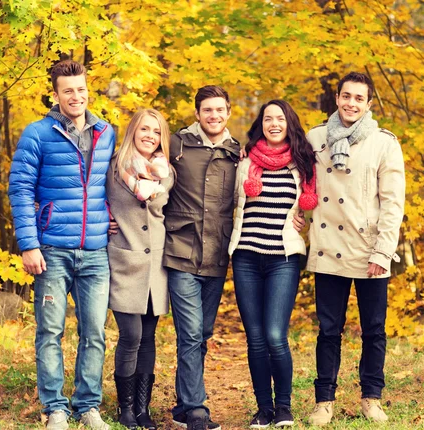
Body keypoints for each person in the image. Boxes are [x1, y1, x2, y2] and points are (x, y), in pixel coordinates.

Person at [8, 60, 114, 430]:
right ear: (55, 94)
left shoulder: (106, 131)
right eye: (68, 90)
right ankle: (55, 407)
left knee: (95, 332)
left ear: (88, 90)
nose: (76, 96)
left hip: (96, 251)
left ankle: (88, 406)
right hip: (52, 249)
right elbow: (20, 190)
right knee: (50, 331)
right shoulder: (37, 134)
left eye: (81, 89)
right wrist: (29, 244)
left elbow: (113, 183)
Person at [306, 72, 405, 426]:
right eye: (346, 96)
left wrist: (383, 251)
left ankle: (371, 397)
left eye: (358, 98)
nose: (351, 103)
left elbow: (393, 202)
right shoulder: (315, 138)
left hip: (369, 250)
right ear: (337, 98)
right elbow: (292, 172)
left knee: (374, 328)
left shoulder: (384, 143)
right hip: (329, 247)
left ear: (369, 103)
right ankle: (324, 402)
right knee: (328, 329)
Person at [228, 100, 318, 428]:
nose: (274, 123)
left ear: (288, 123)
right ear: (261, 124)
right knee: (254, 337)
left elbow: (316, 202)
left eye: (280, 118)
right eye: (268, 118)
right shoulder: (245, 161)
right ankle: (263, 409)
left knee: (275, 334)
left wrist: (306, 219)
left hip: (283, 258)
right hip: (246, 257)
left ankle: (284, 407)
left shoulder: (302, 162)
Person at [163, 85, 240, 430]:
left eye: (219, 110)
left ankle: (182, 406)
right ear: (197, 114)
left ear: (228, 112)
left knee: (201, 332)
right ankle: (195, 409)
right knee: (192, 333)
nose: (214, 116)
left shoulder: (237, 152)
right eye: (207, 110)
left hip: (217, 254)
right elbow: (138, 164)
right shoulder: (176, 145)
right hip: (180, 250)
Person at [106, 109, 174, 430]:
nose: (150, 135)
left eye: (157, 131)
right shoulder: (115, 167)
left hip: (155, 265)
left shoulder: (165, 173)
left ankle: (143, 410)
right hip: (123, 261)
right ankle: (126, 408)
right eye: (144, 129)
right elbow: (95, 201)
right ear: (133, 130)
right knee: (130, 335)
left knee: (148, 337)